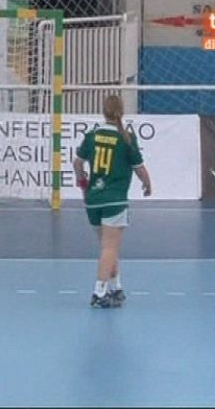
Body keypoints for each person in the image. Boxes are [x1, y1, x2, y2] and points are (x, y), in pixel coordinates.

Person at [73, 95, 152, 308]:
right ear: (121, 111)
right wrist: (147, 184)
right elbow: (139, 167)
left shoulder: (93, 135)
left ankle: (116, 288)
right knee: (110, 247)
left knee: (108, 247)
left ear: (104, 111)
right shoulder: (126, 138)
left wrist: (82, 183)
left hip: (93, 198)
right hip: (114, 199)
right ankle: (99, 293)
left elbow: (77, 162)